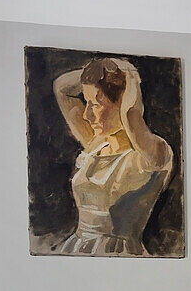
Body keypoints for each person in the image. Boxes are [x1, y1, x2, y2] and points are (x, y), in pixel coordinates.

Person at [53, 57, 173, 255]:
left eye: (96, 105)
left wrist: (130, 76)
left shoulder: (152, 155)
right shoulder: (96, 143)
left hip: (118, 254)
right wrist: (98, 71)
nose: (87, 115)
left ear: (126, 101)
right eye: (87, 102)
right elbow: (61, 88)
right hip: (76, 249)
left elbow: (131, 117)